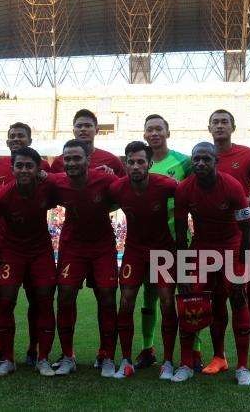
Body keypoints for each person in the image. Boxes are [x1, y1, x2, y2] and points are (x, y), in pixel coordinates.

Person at [171, 143, 250, 385]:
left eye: (206, 159)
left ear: (216, 161)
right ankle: (187, 363)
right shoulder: (185, 189)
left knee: (238, 298)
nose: (200, 164)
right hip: (202, 247)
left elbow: (247, 228)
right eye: (196, 159)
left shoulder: (232, 186)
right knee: (191, 301)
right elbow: (179, 232)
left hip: (231, 245)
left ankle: (242, 367)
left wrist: (244, 263)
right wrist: (184, 268)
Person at [134, 114, 201, 371]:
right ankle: (148, 348)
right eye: (149, 129)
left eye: (158, 129)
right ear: (144, 134)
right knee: (150, 297)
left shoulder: (184, 162)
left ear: (167, 132)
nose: (154, 133)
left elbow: (202, 185)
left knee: (187, 296)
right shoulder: (139, 163)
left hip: (178, 240)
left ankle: (194, 351)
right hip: (149, 242)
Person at [209, 109, 250, 377]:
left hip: (245, 234)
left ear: (233, 127)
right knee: (217, 298)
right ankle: (219, 356)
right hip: (212, 240)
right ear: (209, 128)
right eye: (216, 122)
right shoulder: (201, 158)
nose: (220, 126)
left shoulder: (247, 154)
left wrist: (240, 203)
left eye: (225, 122)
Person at [108, 141, 179, 380]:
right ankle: (126, 360)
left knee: (168, 303)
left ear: (150, 164)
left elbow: (189, 196)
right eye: (131, 162)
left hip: (163, 251)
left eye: (141, 162)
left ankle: (168, 362)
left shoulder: (165, 185)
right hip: (134, 251)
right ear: (125, 164)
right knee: (126, 302)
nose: (136, 166)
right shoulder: (117, 188)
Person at [0, 146, 59, 377]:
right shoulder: (1, 196)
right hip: (12, 253)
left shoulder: (47, 188)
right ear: (12, 168)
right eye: (19, 165)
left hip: (41, 253)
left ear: (38, 169)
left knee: (44, 302)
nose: (24, 169)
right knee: (5, 301)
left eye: (29, 165)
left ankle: (43, 359)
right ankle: (8, 359)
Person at [50, 139, 119, 377]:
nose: (71, 163)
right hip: (73, 247)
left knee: (108, 297)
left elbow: (125, 193)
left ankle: (107, 356)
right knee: (65, 295)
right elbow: (38, 178)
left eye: (76, 158)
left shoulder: (107, 180)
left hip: (102, 247)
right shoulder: (57, 181)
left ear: (88, 160)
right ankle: (68, 356)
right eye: (67, 158)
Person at [50, 109, 126, 177]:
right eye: (79, 126)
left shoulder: (112, 161)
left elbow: (123, 188)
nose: (83, 129)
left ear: (96, 130)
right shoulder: (58, 162)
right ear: (73, 131)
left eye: (88, 126)